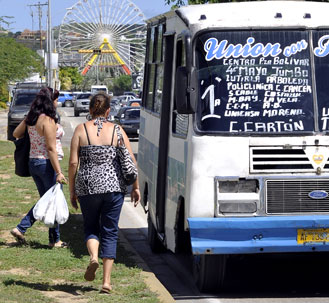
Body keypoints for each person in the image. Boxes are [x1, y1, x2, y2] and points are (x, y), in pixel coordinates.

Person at [68, 92, 140, 294]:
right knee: (110, 231)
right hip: (113, 187)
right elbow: (130, 161)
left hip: (88, 187)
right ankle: (106, 282)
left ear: (90, 109)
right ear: (108, 110)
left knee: (91, 226)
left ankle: (93, 257)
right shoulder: (117, 130)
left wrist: (73, 190)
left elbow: (74, 163)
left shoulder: (81, 130)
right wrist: (135, 187)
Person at [10, 87, 67, 248]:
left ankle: (54, 239)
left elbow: (16, 133)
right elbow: (50, 149)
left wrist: (28, 118)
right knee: (51, 199)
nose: (57, 102)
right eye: (56, 99)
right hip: (45, 163)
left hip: (33, 162)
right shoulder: (47, 121)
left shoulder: (33, 119)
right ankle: (23, 227)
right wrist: (59, 172)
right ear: (50, 101)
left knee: (47, 200)